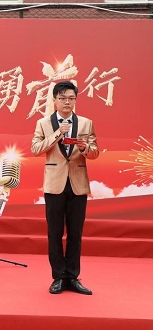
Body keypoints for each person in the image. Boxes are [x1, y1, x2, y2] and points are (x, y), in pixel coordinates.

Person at [31, 81, 99, 295]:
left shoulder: (86, 123)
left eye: (71, 98)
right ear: (55, 100)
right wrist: (56, 134)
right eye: (62, 98)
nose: (67, 102)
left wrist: (85, 147)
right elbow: (35, 149)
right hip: (54, 184)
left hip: (78, 183)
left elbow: (95, 152)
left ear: (75, 100)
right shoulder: (44, 123)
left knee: (75, 232)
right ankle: (58, 277)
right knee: (54, 232)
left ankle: (73, 277)